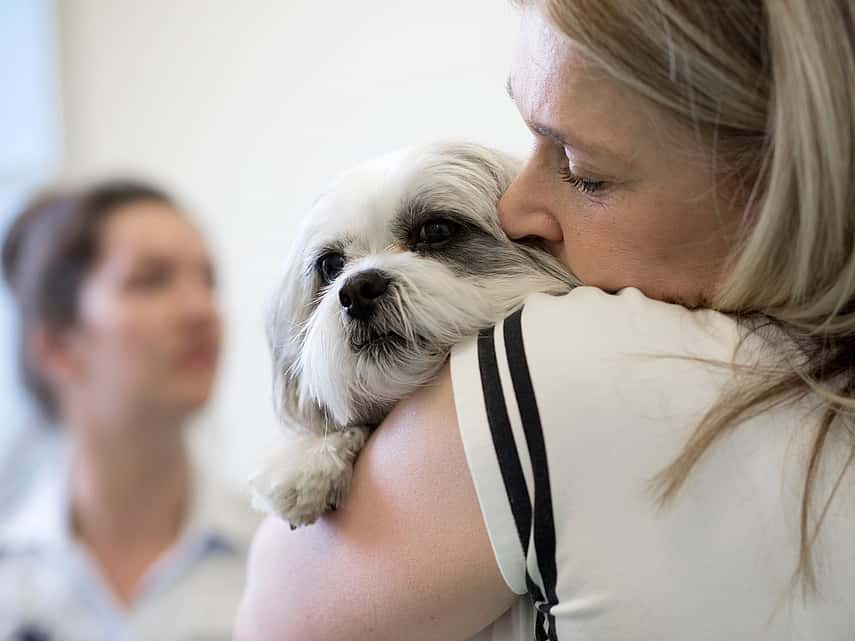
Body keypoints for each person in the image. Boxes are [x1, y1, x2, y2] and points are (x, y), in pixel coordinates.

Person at [235, 1, 855, 640]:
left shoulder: (572, 362)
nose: (519, 208)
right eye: (330, 267)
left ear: (774, 184)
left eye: (582, 169)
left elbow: (276, 619)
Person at [0, 180, 259, 641]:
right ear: (57, 346)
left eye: (208, 281)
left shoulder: (275, 558)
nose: (203, 310)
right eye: (151, 280)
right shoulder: (10, 581)